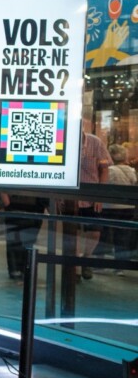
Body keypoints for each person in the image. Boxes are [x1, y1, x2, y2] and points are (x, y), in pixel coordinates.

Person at [76, 117, 111, 279]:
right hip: (72, 197)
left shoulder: (95, 143)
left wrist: (99, 195)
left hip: (91, 195)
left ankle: (86, 259)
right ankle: (74, 267)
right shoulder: (65, 144)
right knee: (73, 232)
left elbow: (104, 169)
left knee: (94, 232)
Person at [105, 144, 136, 273]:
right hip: (128, 207)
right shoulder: (131, 171)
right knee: (123, 235)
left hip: (110, 206)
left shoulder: (110, 170)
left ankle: (100, 262)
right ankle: (120, 266)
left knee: (106, 234)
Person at [0, 193, 46, 281]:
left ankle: (23, 270)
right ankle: (18, 270)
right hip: (16, 207)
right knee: (16, 242)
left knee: (26, 242)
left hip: (32, 208)